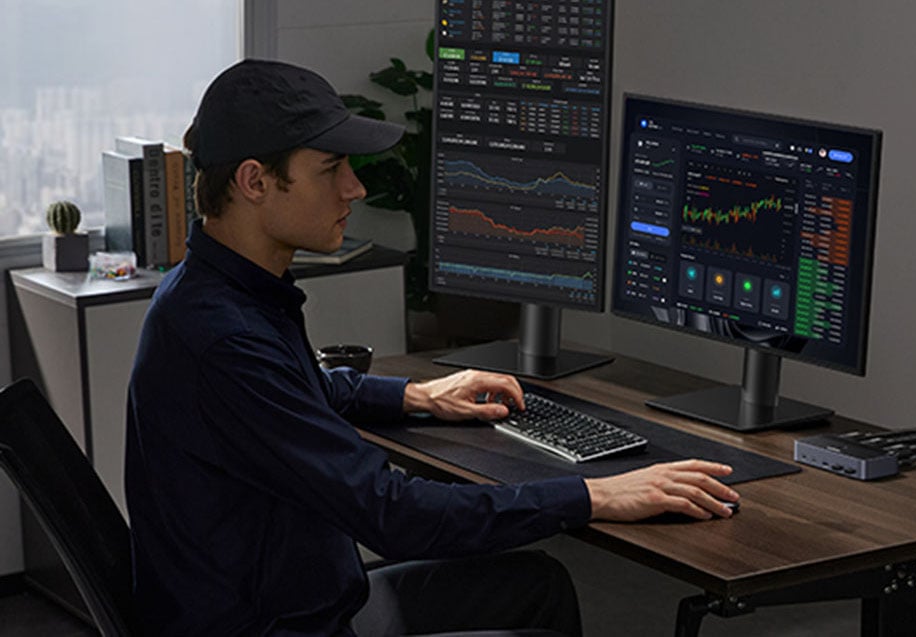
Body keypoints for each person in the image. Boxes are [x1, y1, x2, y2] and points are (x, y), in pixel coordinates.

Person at [125, 59, 740, 637]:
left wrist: (417, 395)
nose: (355, 188)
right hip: (279, 624)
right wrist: (595, 494)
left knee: (538, 585)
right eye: (330, 169)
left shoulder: (221, 291)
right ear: (255, 181)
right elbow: (394, 516)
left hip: (285, 598)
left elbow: (297, 393)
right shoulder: (223, 337)